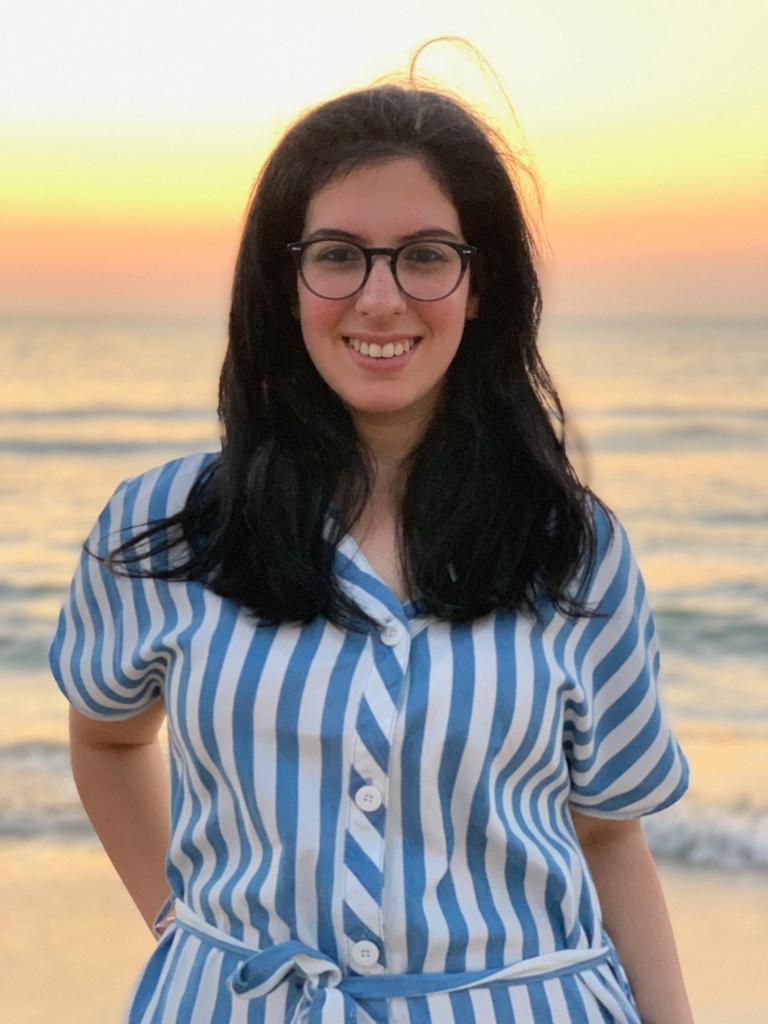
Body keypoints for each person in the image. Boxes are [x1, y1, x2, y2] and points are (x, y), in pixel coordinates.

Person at [49, 73, 694, 1024]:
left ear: (479, 285)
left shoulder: (573, 547)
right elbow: (107, 739)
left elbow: (608, 835)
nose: (380, 299)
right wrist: (186, 929)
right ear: (285, 282)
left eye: (426, 256)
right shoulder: (168, 525)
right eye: (338, 256)